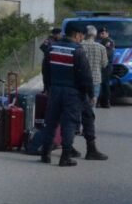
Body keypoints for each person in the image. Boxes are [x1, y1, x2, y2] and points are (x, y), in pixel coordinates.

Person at [40, 22, 106, 165]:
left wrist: (48, 87)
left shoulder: (52, 48)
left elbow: (45, 70)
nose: (82, 38)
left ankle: (45, 154)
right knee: (69, 123)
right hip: (72, 92)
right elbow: (86, 75)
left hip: (55, 90)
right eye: (81, 36)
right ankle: (66, 156)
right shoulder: (77, 51)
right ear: (77, 35)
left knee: (51, 122)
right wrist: (90, 93)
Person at [81, 25, 108, 106]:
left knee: (81, 102)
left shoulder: (79, 46)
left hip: (82, 78)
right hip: (96, 79)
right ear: (95, 35)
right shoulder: (102, 48)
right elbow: (104, 64)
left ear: (85, 34)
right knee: (92, 103)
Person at [98, 27, 116, 108]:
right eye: (101, 33)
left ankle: (105, 102)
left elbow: (107, 53)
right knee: (102, 84)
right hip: (102, 66)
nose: (102, 34)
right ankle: (101, 101)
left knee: (105, 84)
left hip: (107, 65)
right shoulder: (101, 41)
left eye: (103, 33)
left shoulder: (109, 41)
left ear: (107, 34)